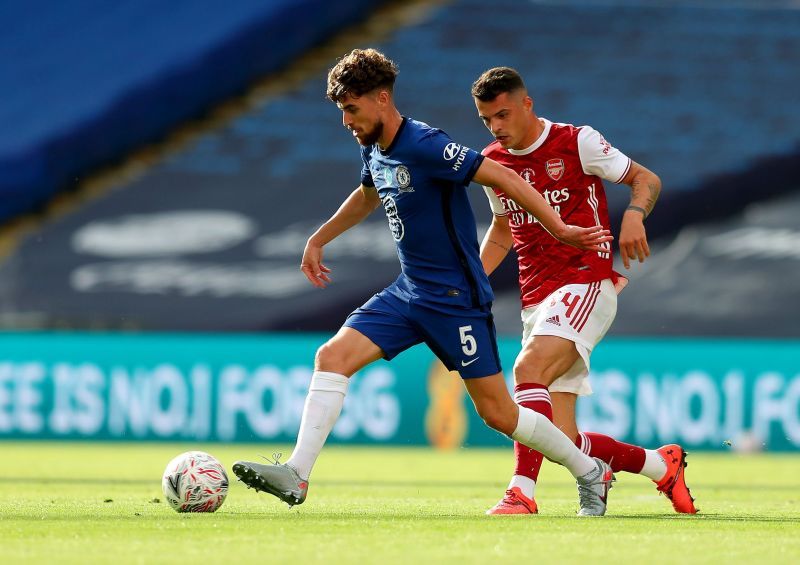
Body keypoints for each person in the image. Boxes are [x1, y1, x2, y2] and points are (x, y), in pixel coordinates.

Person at [233, 48, 616, 516]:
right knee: (331, 357)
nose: (346, 121)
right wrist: (319, 238)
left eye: (351, 109)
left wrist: (557, 227)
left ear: (380, 99)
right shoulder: (372, 146)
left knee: (499, 413)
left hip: (456, 300)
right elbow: (367, 194)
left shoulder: (426, 144)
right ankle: (297, 474)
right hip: (409, 292)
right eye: (342, 111)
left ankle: (590, 472)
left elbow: (498, 173)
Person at [471, 67, 697, 515]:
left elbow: (645, 179)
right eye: (486, 120)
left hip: (585, 281)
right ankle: (660, 465)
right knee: (562, 437)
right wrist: (473, 280)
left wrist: (633, 214)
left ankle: (521, 493)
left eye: (502, 114)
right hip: (536, 299)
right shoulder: (494, 160)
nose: (496, 127)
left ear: (527, 104)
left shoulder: (577, 142)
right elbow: (502, 229)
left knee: (527, 370)